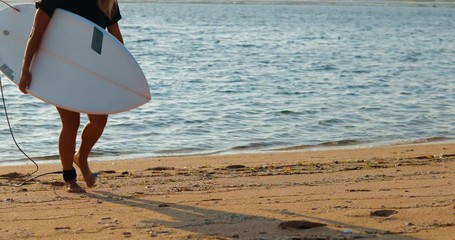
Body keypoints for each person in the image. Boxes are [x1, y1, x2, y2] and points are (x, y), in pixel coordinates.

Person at [18, 0, 124, 193]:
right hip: (61, 68)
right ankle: (70, 178)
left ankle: (81, 157)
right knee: (71, 123)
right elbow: (36, 32)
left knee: (99, 121)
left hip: (93, 70)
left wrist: (121, 71)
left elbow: (115, 39)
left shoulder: (107, 2)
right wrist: (25, 69)